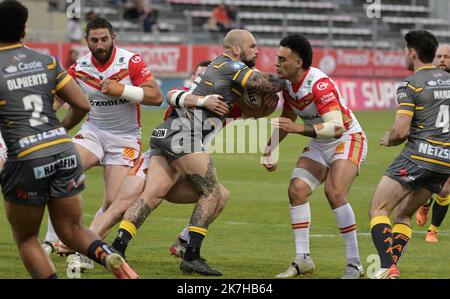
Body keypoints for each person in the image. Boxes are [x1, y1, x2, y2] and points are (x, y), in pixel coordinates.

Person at [109, 29, 283, 276]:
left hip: (166, 132)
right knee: (212, 192)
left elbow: (247, 103)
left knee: (152, 195)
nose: (257, 50)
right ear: (236, 49)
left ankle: (117, 247)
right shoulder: (231, 64)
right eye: (252, 45)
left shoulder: (222, 67)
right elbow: (266, 83)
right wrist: (287, 80)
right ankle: (191, 255)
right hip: (185, 135)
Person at [0, 0, 138, 279]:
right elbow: (82, 105)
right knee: (74, 230)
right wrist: (58, 131)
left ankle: (52, 246)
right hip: (61, 151)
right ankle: (114, 261)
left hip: (26, 158)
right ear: (24, 30)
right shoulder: (47, 61)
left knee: (27, 239)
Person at [42, 17, 162, 255]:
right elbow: (60, 97)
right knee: (62, 171)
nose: (100, 45)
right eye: (94, 40)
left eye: (104, 39)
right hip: (93, 132)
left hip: (125, 138)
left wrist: (122, 90)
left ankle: (83, 247)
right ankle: (50, 240)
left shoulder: (130, 61)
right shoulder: (80, 67)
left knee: (113, 201)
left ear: (113, 38)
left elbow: (156, 96)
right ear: (87, 41)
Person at [263, 34, 367, 279]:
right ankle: (303, 259)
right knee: (296, 189)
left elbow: (337, 127)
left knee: (335, 192)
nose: (276, 63)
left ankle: (354, 264)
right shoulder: (287, 85)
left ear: (298, 63)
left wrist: (298, 129)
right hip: (321, 142)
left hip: (347, 138)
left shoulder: (319, 84)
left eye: (281, 59)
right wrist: (270, 149)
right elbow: (288, 117)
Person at [368, 30, 450, 279]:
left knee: (379, 209)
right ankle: (390, 267)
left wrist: (388, 139)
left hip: (417, 157)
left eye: (406, 50)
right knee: (404, 213)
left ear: (412, 52)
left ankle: (386, 267)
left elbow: (401, 131)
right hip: (443, 162)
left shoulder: (410, 84)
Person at [414, 44, 450, 243]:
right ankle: (425, 203)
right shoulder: (427, 81)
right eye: (439, 56)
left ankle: (433, 230)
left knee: (445, 189)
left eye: (447, 56)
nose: (443, 60)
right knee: (427, 184)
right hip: (429, 139)